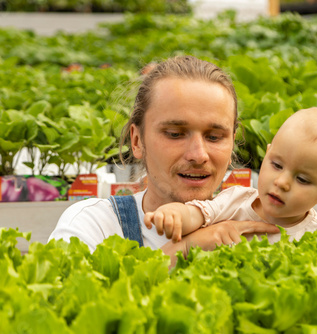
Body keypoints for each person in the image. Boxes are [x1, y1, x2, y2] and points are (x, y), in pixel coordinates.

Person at [48, 55, 280, 266]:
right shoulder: (96, 225)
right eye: (175, 134)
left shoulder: (260, 225)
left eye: (214, 137)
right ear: (137, 141)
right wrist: (185, 248)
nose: (198, 155)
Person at [144, 107, 317, 244]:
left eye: (302, 179)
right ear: (266, 154)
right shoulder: (236, 200)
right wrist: (175, 215)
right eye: (276, 165)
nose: (281, 182)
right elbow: (196, 215)